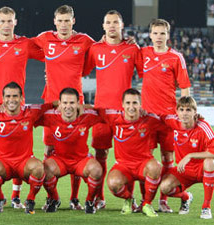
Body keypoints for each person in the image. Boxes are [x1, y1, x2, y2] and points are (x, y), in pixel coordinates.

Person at [0, 6, 44, 209]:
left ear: (15, 22)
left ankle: (15, 196)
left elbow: (50, 54)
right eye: (2, 21)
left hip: (17, 104)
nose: (6, 24)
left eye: (10, 21)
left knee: (19, 150)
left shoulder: (24, 44)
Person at [33, 4, 95, 210]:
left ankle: (75, 198)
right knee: (50, 149)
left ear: (73, 21)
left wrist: (125, 39)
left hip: (74, 103)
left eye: (67, 20)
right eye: (60, 20)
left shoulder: (84, 40)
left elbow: (102, 48)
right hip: (51, 101)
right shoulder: (45, 38)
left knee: (75, 150)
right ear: (54, 21)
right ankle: (53, 197)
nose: (63, 24)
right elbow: (23, 45)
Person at [83, 10, 143, 209]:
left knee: (129, 158)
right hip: (101, 112)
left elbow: (146, 74)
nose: (111, 26)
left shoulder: (132, 49)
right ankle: (99, 198)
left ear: (122, 25)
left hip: (126, 113)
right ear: (103, 26)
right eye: (108, 22)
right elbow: (80, 71)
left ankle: (130, 199)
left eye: (115, 22)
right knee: (100, 155)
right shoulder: (95, 48)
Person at [141, 18, 191, 212]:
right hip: (148, 117)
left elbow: (185, 88)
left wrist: (185, 114)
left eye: (162, 33)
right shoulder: (143, 53)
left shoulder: (175, 57)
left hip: (169, 117)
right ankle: (146, 200)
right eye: (155, 33)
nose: (159, 37)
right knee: (146, 160)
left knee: (168, 159)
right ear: (150, 34)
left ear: (167, 35)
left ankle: (163, 200)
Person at [0, 82, 54, 214]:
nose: (11, 100)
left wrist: (77, 106)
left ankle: (30, 199)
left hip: (24, 162)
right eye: (8, 96)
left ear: (22, 98)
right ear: (3, 99)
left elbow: (53, 104)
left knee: (39, 168)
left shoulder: (31, 111)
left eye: (15, 96)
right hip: (3, 163)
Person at [35, 88, 103, 214]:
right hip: (60, 160)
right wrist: (50, 104)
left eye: (72, 103)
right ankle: (54, 199)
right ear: (59, 104)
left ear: (78, 104)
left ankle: (89, 201)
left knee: (97, 170)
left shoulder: (87, 116)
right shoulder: (51, 116)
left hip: (81, 160)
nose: (68, 106)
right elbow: (31, 115)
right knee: (43, 170)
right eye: (65, 103)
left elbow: (107, 114)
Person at [104, 88, 163, 217]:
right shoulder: (113, 118)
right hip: (123, 166)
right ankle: (129, 199)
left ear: (140, 104)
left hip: (143, 164)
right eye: (128, 103)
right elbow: (94, 110)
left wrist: (197, 119)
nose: (131, 106)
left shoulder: (149, 119)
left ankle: (147, 204)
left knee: (156, 167)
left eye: (135, 103)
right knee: (113, 183)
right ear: (122, 105)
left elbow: (169, 121)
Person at [160, 96, 214, 219]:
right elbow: (159, 113)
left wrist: (190, 156)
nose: (184, 113)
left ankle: (206, 207)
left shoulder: (203, 127)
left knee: (210, 162)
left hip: (201, 169)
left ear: (195, 112)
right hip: (183, 170)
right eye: (182, 109)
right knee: (164, 188)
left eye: (188, 110)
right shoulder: (172, 121)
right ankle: (186, 197)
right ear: (177, 112)